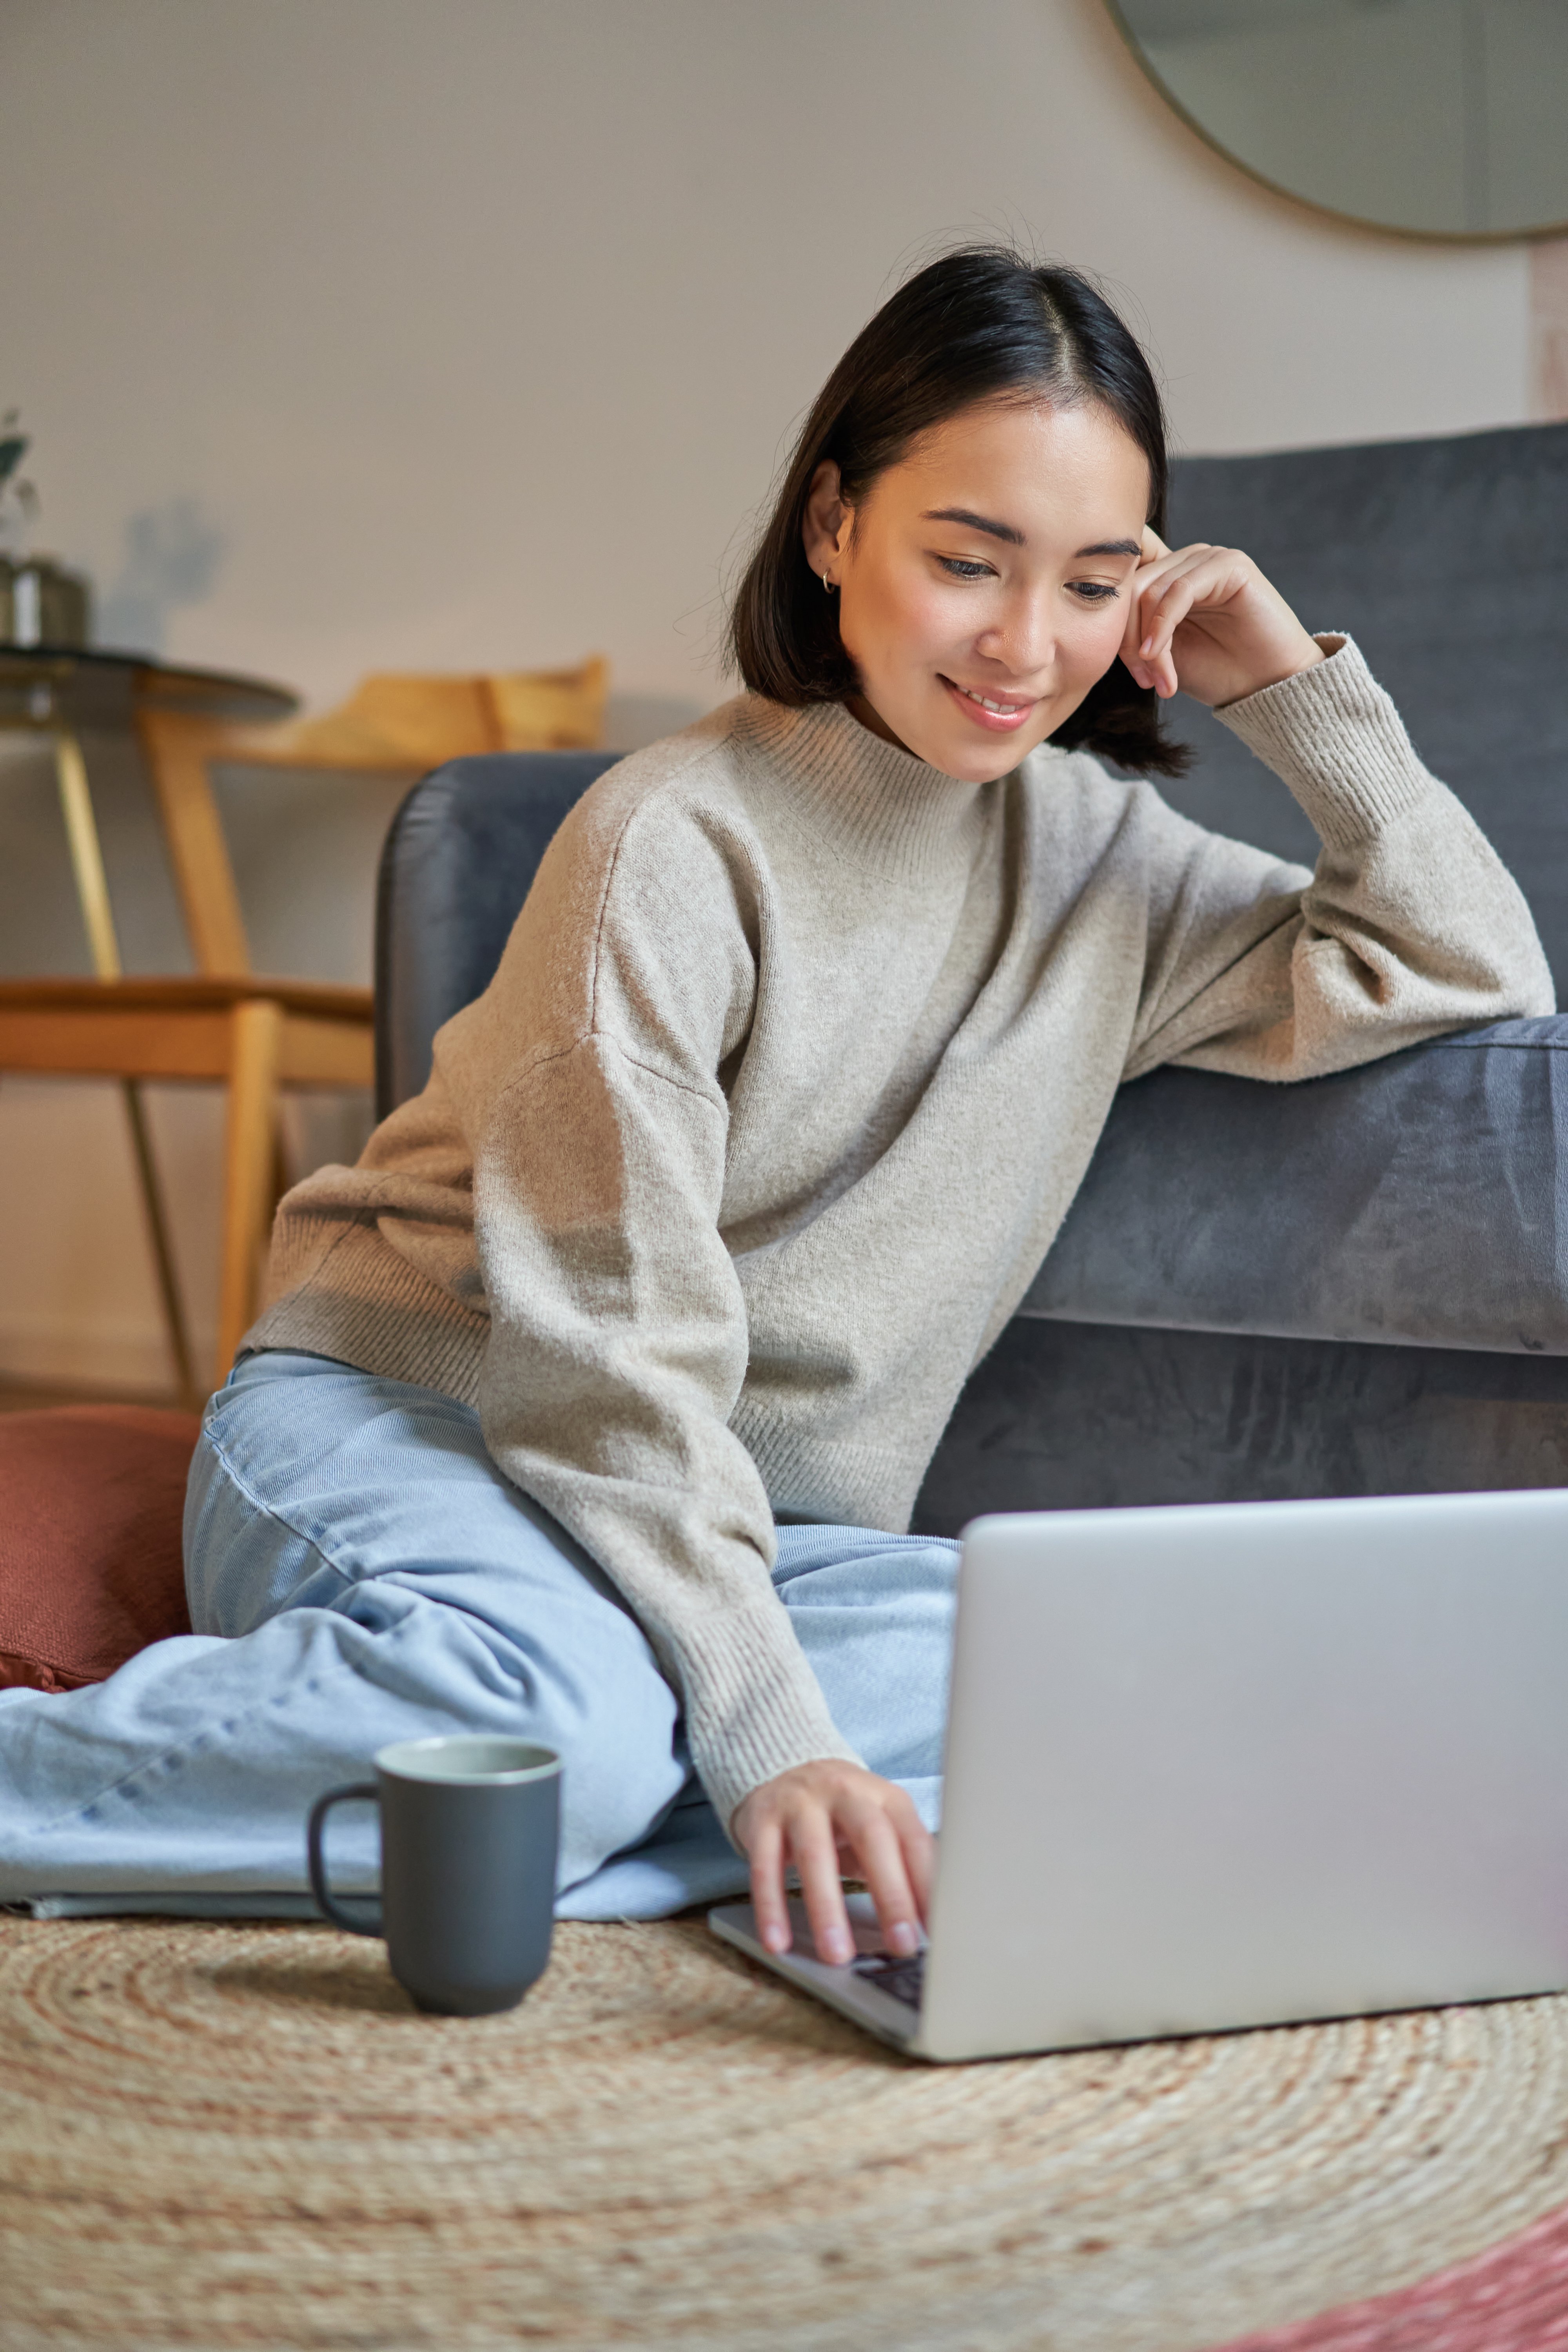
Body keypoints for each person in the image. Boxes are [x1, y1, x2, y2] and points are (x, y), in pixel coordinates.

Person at [0, 248, 1550, 1967]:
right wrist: (768, 1735)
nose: (1029, 646)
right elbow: (600, 1360)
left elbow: (1465, 963)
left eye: (1097, 580)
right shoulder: (667, 844)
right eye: (967, 562)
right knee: (571, 1733)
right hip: (424, 1416)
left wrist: (1290, 690)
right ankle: (505, 1795)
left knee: (1102, 1701)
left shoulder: (1109, 868)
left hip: (743, 1528)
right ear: (833, 529)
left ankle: (531, 1825)